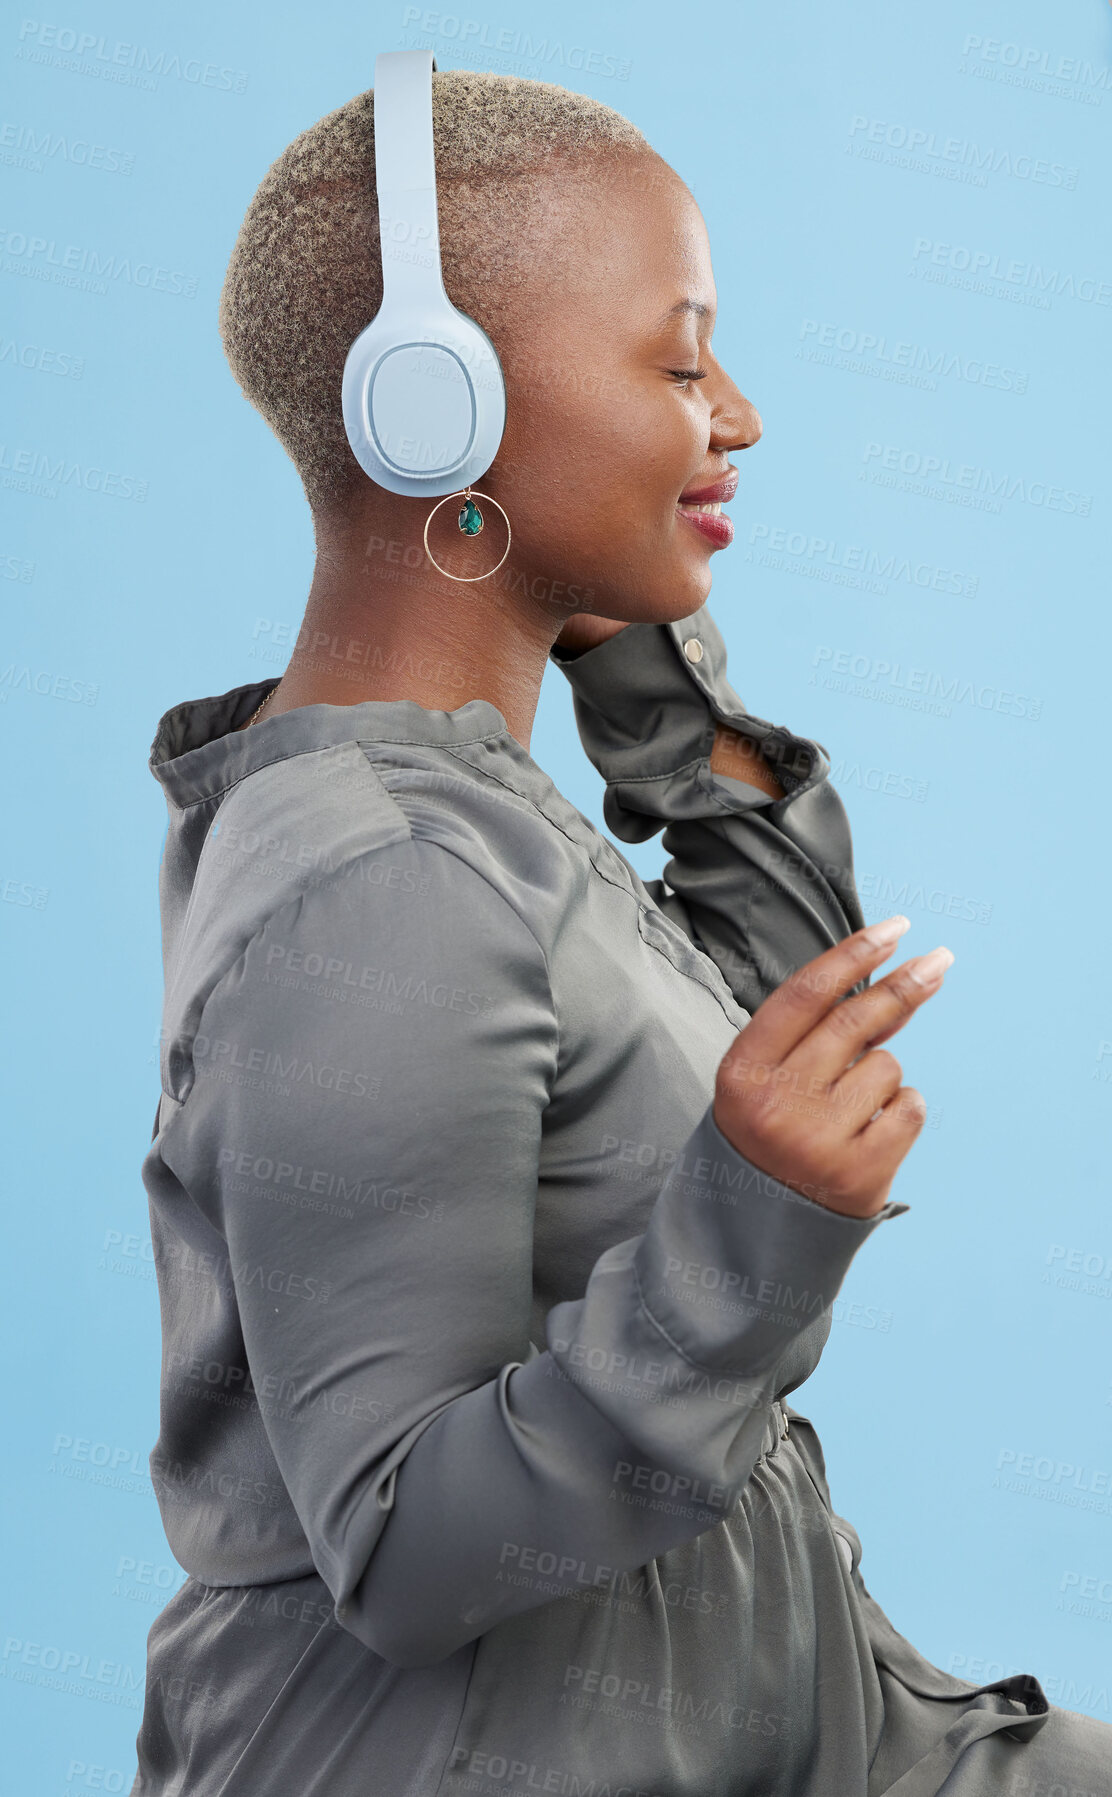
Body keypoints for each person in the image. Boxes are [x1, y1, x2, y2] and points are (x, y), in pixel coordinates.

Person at [129, 69, 1112, 1797]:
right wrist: (754, 1232)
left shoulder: (479, 805)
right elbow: (410, 1554)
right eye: (678, 363)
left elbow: (757, 1001)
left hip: (790, 1717)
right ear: (437, 410)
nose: (737, 413)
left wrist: (642, 656)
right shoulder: (377, 882)